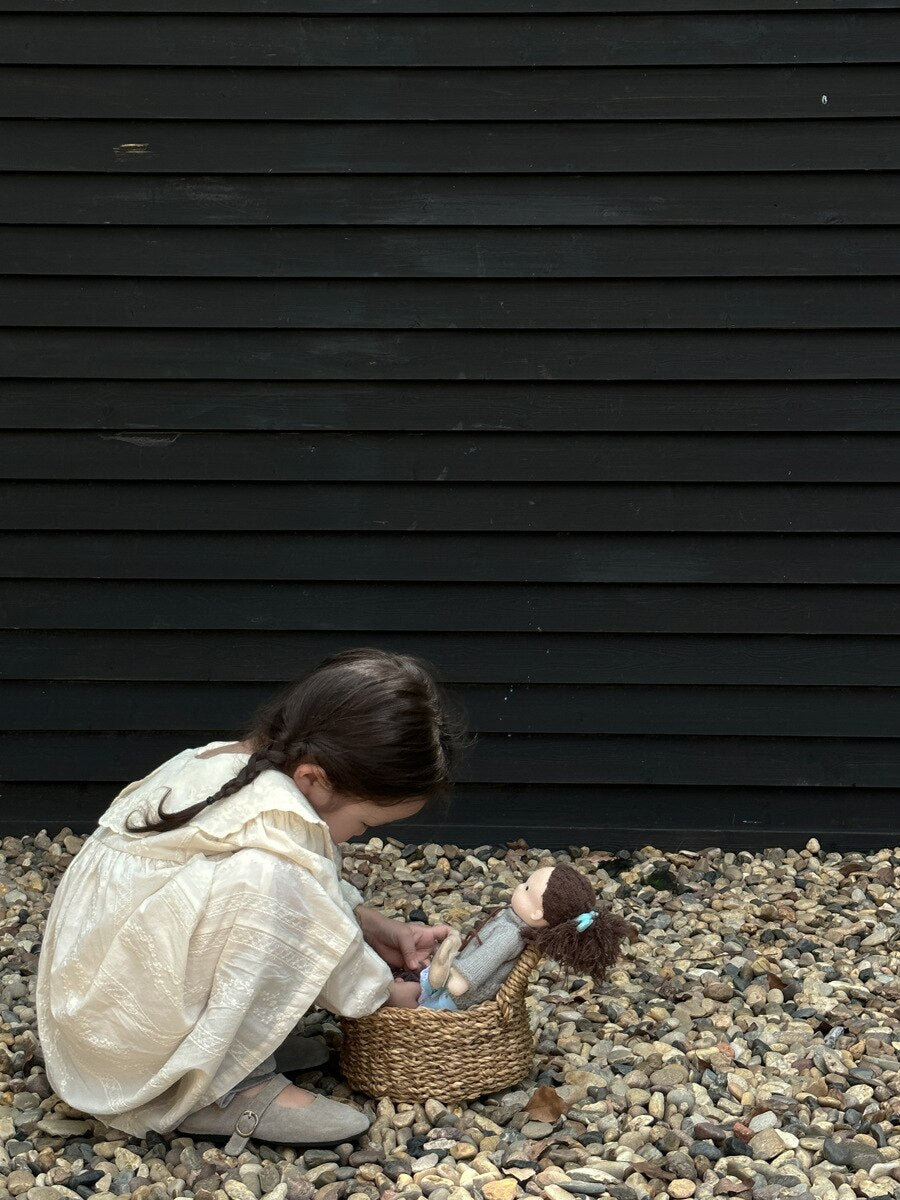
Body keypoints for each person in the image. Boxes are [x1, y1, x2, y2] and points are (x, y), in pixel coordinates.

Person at [35, 647, 473, 1152]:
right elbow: (299, 908)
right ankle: (215, 1089)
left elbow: (312, 888)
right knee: (265, 886)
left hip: (92, 1008)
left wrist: (377, 929)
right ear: (314, 779)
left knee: (264, 885)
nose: (354, 839)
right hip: (121, 1044)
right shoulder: (274, 846)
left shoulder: (226, 762)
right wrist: (387, 995)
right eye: (365, 823)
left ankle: (227, 1045)